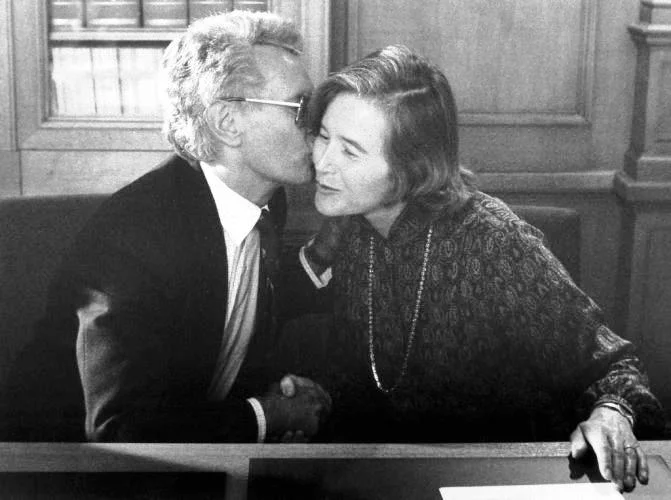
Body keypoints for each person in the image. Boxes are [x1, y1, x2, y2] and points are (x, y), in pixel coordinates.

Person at [298, 45, 664, 492]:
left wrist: (612, 412)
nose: (322, 162)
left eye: (351, 152)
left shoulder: (494, 241)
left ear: (412, 168)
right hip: (399, 477)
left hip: (506, 482)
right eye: (323, 136)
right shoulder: (354, 228)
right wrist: (323, 395)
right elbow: (375, 379)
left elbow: (615, 366)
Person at [10, 10, 332, 444]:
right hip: (57, 465)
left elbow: (226, 314)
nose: (318, 128)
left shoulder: (268, 199)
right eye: (302, 108)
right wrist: (264, 415)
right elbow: (120, 428)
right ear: (227, 123)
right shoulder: (134, 240)